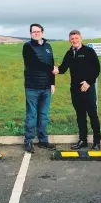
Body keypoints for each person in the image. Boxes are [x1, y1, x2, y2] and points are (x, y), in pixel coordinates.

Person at [54, 29, 101, 150]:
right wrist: (55, 70)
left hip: (88, 88)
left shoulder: (89, 51)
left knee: (92, 115)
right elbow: (63, 68)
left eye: (76, 38)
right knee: (80, 116)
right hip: (75, 89)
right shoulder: (69, 53)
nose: (74, 40)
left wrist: (88, 82)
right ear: (69, 40)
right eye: (72, 39)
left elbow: (96, 69)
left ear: (81, 38)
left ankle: (97, 142)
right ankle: (83, 140)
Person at [22, 23, 58, 153]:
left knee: (43, 115)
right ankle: (28, 141)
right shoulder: (27, 46)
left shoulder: (48, 46)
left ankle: (43, 140)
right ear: (30, 33)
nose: (35, 33)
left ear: (42, 32)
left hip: (46, 87)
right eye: (33, 32)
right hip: (32, 87)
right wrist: (51, 69)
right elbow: (34, 63)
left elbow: (51, 64)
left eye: (37, 31)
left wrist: (52, 83)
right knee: (31, 115)